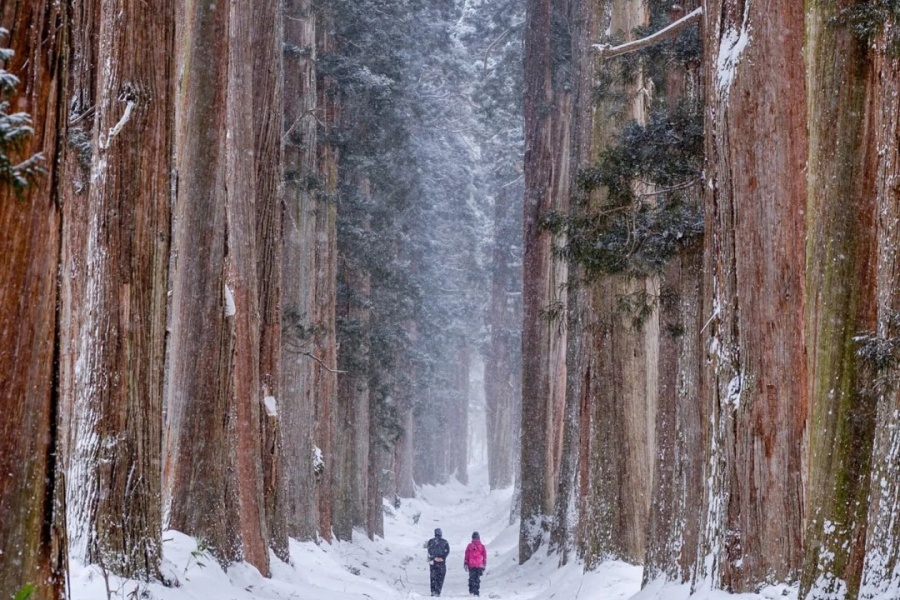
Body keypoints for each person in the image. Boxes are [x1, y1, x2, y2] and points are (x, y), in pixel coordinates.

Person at [427, 527, 450, 596]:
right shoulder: (445, 542)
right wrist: (443, 557)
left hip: (433, 562)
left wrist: (434, 557)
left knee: (433, 577)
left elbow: (429, 550)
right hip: (442, 562)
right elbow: (447, 551)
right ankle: (438, 590)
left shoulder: (431, 541)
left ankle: (433, 591)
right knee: (440, 577)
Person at [463, 531, 487, 596]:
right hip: (479, 564)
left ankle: (471, 590)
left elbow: (467, 555)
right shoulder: (482, 546)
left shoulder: (469, 546)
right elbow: (484, 556)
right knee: (477, 578)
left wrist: (465, 563)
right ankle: (476, 591)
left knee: (471, 577)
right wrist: (484, 564)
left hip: (471, 564)